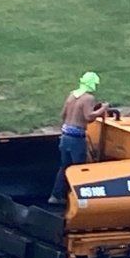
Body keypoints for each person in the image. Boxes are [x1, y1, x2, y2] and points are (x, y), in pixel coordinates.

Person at [48, 71, 107, 204]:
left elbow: (63, 114)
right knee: (79, 170)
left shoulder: (71, 95)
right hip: (76, 138)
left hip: (65, 136)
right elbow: (88, 117)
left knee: (65, 167)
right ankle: (76, 201)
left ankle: (55, 196)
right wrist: (102, 109)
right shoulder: (88, 98)